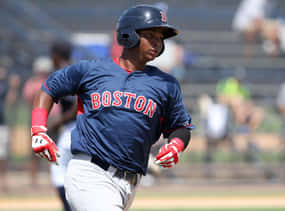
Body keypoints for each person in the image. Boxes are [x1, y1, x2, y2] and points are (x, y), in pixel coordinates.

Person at [30, 4, 193, 211]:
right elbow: (48, 89)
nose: (157, 42)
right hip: (89, 174)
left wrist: (175, 145)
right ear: (129, 35)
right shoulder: (92, 70)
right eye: (150, 34)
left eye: (160, 37)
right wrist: (38, 129)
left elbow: (180, 126)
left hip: (129, 184)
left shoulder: (166, 84)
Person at [23, 56, 61, 187]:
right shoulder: (33, 83)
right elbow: (29, 100)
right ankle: (33, 181)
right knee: (36, 150)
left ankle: (54, 179)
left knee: (53, 150)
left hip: (53, 119)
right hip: (40, 119)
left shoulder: (54, 82)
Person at [48, 40, 75, 211]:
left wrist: (61, 119)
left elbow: (78, 102)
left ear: (56, 55)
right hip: (77, 129)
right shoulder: (73, 69)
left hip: (74, 129)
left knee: (58, 170)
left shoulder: (65, 73)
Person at [0, 67, 19, 191]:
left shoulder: (4, 87)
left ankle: (3, 181)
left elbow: (11, 101)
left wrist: (13, 87)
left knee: (2, 154)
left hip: (1, 123)